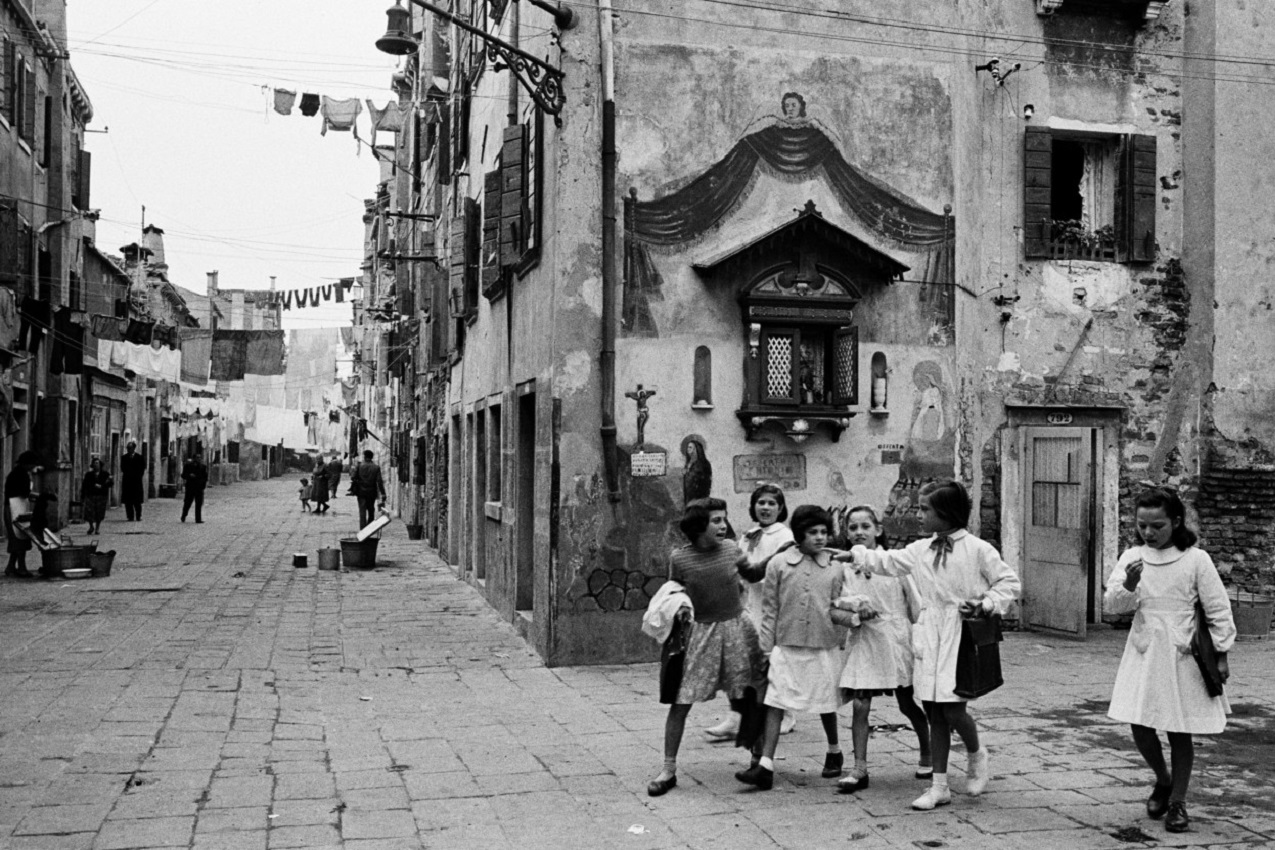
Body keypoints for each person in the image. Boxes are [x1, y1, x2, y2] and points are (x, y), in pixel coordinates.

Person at [837, 480, 1020, 810]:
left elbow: (1008, 582)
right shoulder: (920, 549)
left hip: (960, 632)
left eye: (925, 509)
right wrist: (855, 554)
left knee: (953, 707)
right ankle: (939, 786)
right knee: (934, 709)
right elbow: (888, 561)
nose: (918, 515)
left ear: (946, 513)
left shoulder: (978, 549)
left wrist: (987, 602)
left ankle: (977, 753)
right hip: (928, 632)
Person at [1103, 488, 1235, 834]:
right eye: (1143, 525)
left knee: (1179, 729)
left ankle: (1178, 801)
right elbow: (1113, 606)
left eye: (1157, 525)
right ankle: (1162, 779)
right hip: (1144, 648)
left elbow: (1218, 608)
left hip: (1183, 651)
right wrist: (1129, 585)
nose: (1149, 533)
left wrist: (1220, 653)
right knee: (1140, 722)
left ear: (1176, 522)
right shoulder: (1132, 556)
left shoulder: (1195, 559)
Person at [648, 498, 761, 797]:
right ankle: (668, 769)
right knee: (681, 700)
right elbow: (673, 591)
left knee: (749, 695)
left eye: (724, 519)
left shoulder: (732, 549)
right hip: (701, 634)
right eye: (716, 521)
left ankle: (758, 762)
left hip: (737, 630)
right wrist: (680, 606)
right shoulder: (680, 558)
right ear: (699, 526)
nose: (723, 526)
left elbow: (752, 575)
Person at [737, 505, 846, 791]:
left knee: (826, 701)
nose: (820, 538)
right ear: (799, 534)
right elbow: (770, 608)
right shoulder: (779, 564)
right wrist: (766, 647)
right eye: (813, 533)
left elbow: (840, 604)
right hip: (786, 644)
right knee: (775, 701)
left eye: (824, 532)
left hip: (823, 644)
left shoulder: (836, 566)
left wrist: (842, 638)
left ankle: (834, 751)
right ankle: (766, 765)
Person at [831, 505, 932, 793]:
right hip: (865, 637)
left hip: (894, 638)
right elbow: (837, 600)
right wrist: (855, 607)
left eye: (865, 526)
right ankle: (859, 767)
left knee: (906, 702)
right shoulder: (844, 568)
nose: (859, 532)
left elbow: (915, 604)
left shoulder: (895, 565)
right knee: (861, 703)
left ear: (878, 529)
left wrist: (919, 638)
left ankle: (927, 751)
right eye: (852, 527)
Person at [706, 484, 795, 742]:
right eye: (760, 503)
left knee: (772, 664)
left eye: (771, 503)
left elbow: (760, 572)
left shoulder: (784, 537)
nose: (765, 508)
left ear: (780, 508)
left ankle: (786, 714)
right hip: (747, 605)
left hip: (772, 606)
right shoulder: (750, 535)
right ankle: (737, 716)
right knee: (739, 664)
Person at [4, 451, 43, 578]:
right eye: (32, 464)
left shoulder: (21, 473)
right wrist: (41, 496)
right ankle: (21, 568)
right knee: (19, 539)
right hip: (14, 508)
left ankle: (10, 567)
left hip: (19, 507)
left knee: (19, 539)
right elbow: (24, 493)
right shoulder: (19, 475)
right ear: (26, 463)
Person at [350, 450, 386, 528]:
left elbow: (353, 477)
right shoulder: (376, 467)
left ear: (365, 457)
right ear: (371, 457)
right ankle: (369, 528)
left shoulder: (359, 466)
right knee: (371, 510)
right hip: (371, 492)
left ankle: (362, 529)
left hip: (361, 492)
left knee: (362, 511)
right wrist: (383, 493)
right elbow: (379, 481)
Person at [81, 456, 113, 536]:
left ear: (100, 465)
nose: (96, 465)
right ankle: (91, 526)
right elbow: (85, 484)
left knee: (99, 512)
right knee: (89, 512)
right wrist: (92, 486)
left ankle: (97, 528)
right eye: (94, 463)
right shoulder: (88, 474)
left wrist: (103, 485)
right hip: (91, 495)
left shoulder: (105, 474)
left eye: (97, 463)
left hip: (101, 495)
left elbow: (110, 484)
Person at [120, 441, 146, 521]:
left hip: (136, 482)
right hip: (127, 482)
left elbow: (142, 468)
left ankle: (138, 516)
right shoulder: (124, 458)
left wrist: (137, 476)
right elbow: (123, 468)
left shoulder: (139, 457)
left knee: (137, 501)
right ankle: (130, 516)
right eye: (127, 448)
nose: (128, 449)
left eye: (130, 448)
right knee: (128, 501)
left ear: (134, 448)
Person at [180, 453, 208, 523]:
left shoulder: (203, 467)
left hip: (199, 487)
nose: (198, 459)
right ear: (193, 459)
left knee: (199, 504)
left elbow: (205, 477)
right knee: (187, 503)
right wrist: (189, 475)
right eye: (197, 458)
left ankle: (198, 519)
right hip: (190, 487)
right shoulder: (187, 466)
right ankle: (184, 515)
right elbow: (183, 475)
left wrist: (203, 485)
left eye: (199, 458)